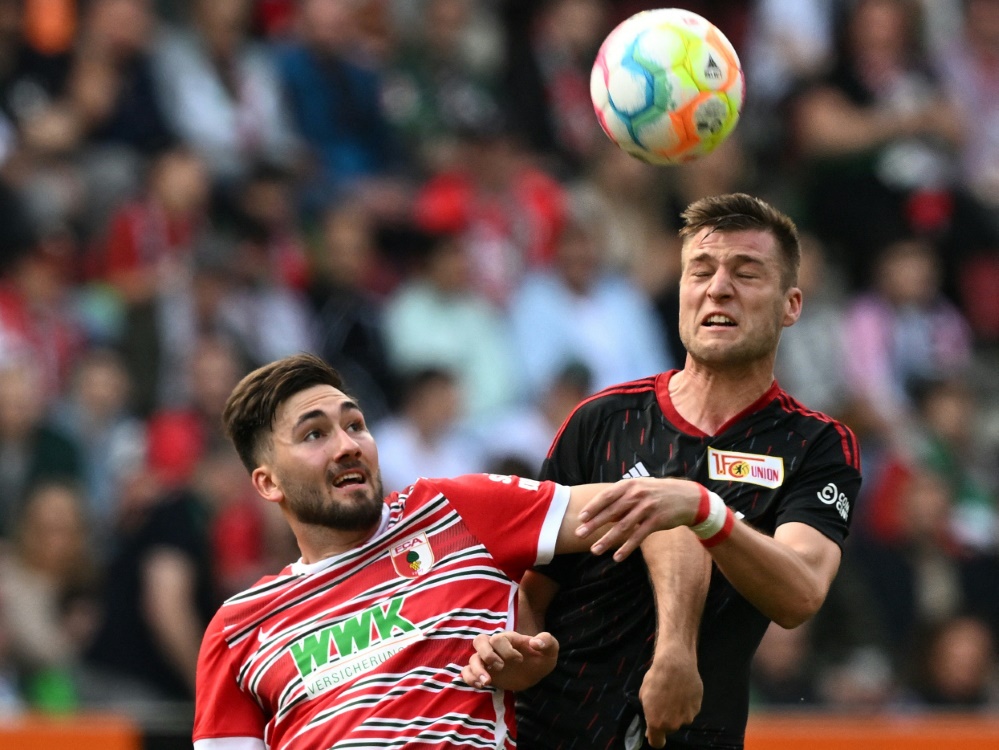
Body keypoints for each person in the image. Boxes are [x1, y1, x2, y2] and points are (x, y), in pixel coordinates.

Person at [192, 352, 721, 750]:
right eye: (314, 435)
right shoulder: (237, 629)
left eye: (355, 424)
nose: (348, 444)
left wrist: (675, 650)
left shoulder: (452, 510)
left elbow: (660, 510)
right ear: (267, 483)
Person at [500, 193, 863, 749]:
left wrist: (705, 514)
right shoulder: (602, 420)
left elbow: (800, 592)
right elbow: (531, 590)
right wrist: (514, 650)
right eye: (701, 270)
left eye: (746, 272)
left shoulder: (814, 445)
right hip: (557, 731)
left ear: (791, 305)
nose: (718, 287)